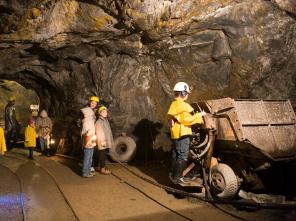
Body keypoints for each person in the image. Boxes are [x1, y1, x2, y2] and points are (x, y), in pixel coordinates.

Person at [167, 82, 206, 184]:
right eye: (187, 93)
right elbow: (187, 120)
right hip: (182, 134)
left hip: (176, 134)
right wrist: (200, 115)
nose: (188, 95)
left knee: (176, 154)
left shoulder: (174, 104)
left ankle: (173, 175)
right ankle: (178, 178)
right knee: (183, 155)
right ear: (183, 93)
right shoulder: (182, 105)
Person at [80, 96, 99, 178]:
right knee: (88, 154)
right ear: (89, 102)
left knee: (90, 154)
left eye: (95, 103)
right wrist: (81, 120)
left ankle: (88, 170)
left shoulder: (93, 112)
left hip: (92, 134)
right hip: (88, 135)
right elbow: (80, 120)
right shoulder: (86, 111)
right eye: (92, 102)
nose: (93, 104)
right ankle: (85, 172)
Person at [94, 106, 113, 175]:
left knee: (102, 154)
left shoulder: (105, 120)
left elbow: (108, 131)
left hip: (106, 141)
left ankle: (97, 166)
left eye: (106, 112)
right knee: (103, 154)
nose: (106, 113)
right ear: (100, 113)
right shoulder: (99, 122)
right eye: (104, 112)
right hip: (103, 142)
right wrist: (103, 141)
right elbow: (99, 132)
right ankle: (102, 169)